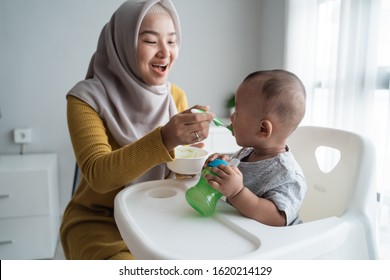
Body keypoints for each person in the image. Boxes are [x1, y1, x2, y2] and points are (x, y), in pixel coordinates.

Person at [60, 0, 214, 260]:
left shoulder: (176, 96)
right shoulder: (84, 99)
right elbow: (99, 175)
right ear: (123, 43)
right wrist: (166, 138)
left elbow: (177, 176)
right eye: (151, 41)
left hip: (159, 219)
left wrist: (197, 161)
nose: (165, 53)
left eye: (172, 41)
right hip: (102, 226)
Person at [204, 70, 307, 226]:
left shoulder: (288, 175)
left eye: (237, 113)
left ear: (263, 129)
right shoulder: (246, 152)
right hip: (241, 231)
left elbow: (277, 219)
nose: (231, 117)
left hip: (277, 244)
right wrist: (218, 170)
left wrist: (237, 192)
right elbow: (230, 180)